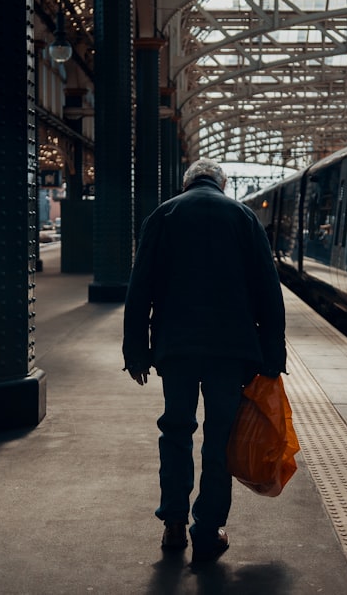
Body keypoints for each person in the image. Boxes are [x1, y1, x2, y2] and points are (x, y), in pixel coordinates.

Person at [123, 158, 286, 563]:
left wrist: (135, 351)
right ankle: (208, 531)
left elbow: (139, 287)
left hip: (176, 349)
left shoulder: (163, 215)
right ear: (222, 183)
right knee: (220, 440)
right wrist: (272, 355)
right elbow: (269, 291)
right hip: (231, 354)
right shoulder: (244, 218)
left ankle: (173, 524)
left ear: (187, 183)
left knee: (175, 430)